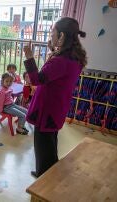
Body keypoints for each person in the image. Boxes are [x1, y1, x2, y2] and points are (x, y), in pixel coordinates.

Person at [23, 17, 87, 178]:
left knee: (43, 145)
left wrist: (30, 57)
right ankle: (43, 172)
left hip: (48, 109)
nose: (50, 35)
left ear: (62, 36)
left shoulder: (61, 60)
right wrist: (53, 51)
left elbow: (37, 79)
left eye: (53, 32)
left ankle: (45, 180)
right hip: (57, 107)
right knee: (50, 142)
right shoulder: (73, 57)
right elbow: (54, 74)